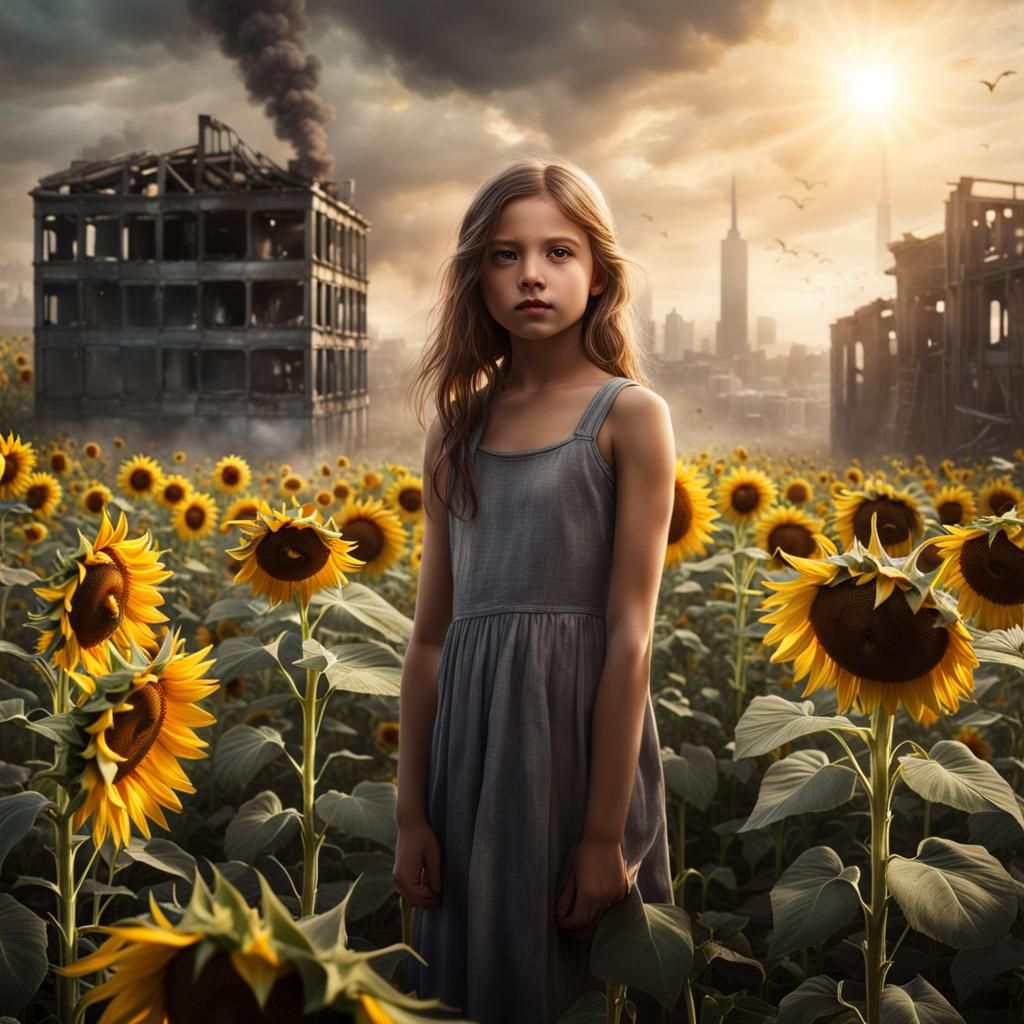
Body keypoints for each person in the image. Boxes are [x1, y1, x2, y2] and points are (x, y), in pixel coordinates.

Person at [393, 156, 676, 1024]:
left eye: (558, 252)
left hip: (580, 745)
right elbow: (432, 636)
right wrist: (410, 815)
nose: (531, 276)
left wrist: (602, 834)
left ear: (598, 276)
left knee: (579, 987)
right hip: (467, 756)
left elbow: (630, 634)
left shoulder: (630, 416)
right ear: (477, 277)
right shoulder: (458, 428)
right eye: (505, 256)